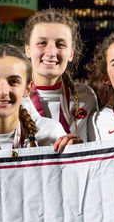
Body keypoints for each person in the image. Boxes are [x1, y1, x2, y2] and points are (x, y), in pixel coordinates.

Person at [21, 9, 98, 142]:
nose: (51, 52)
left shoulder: (86, 97)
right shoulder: (14, 99)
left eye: (60, 44)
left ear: (71, 54)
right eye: (42, 43)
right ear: (27, 49)